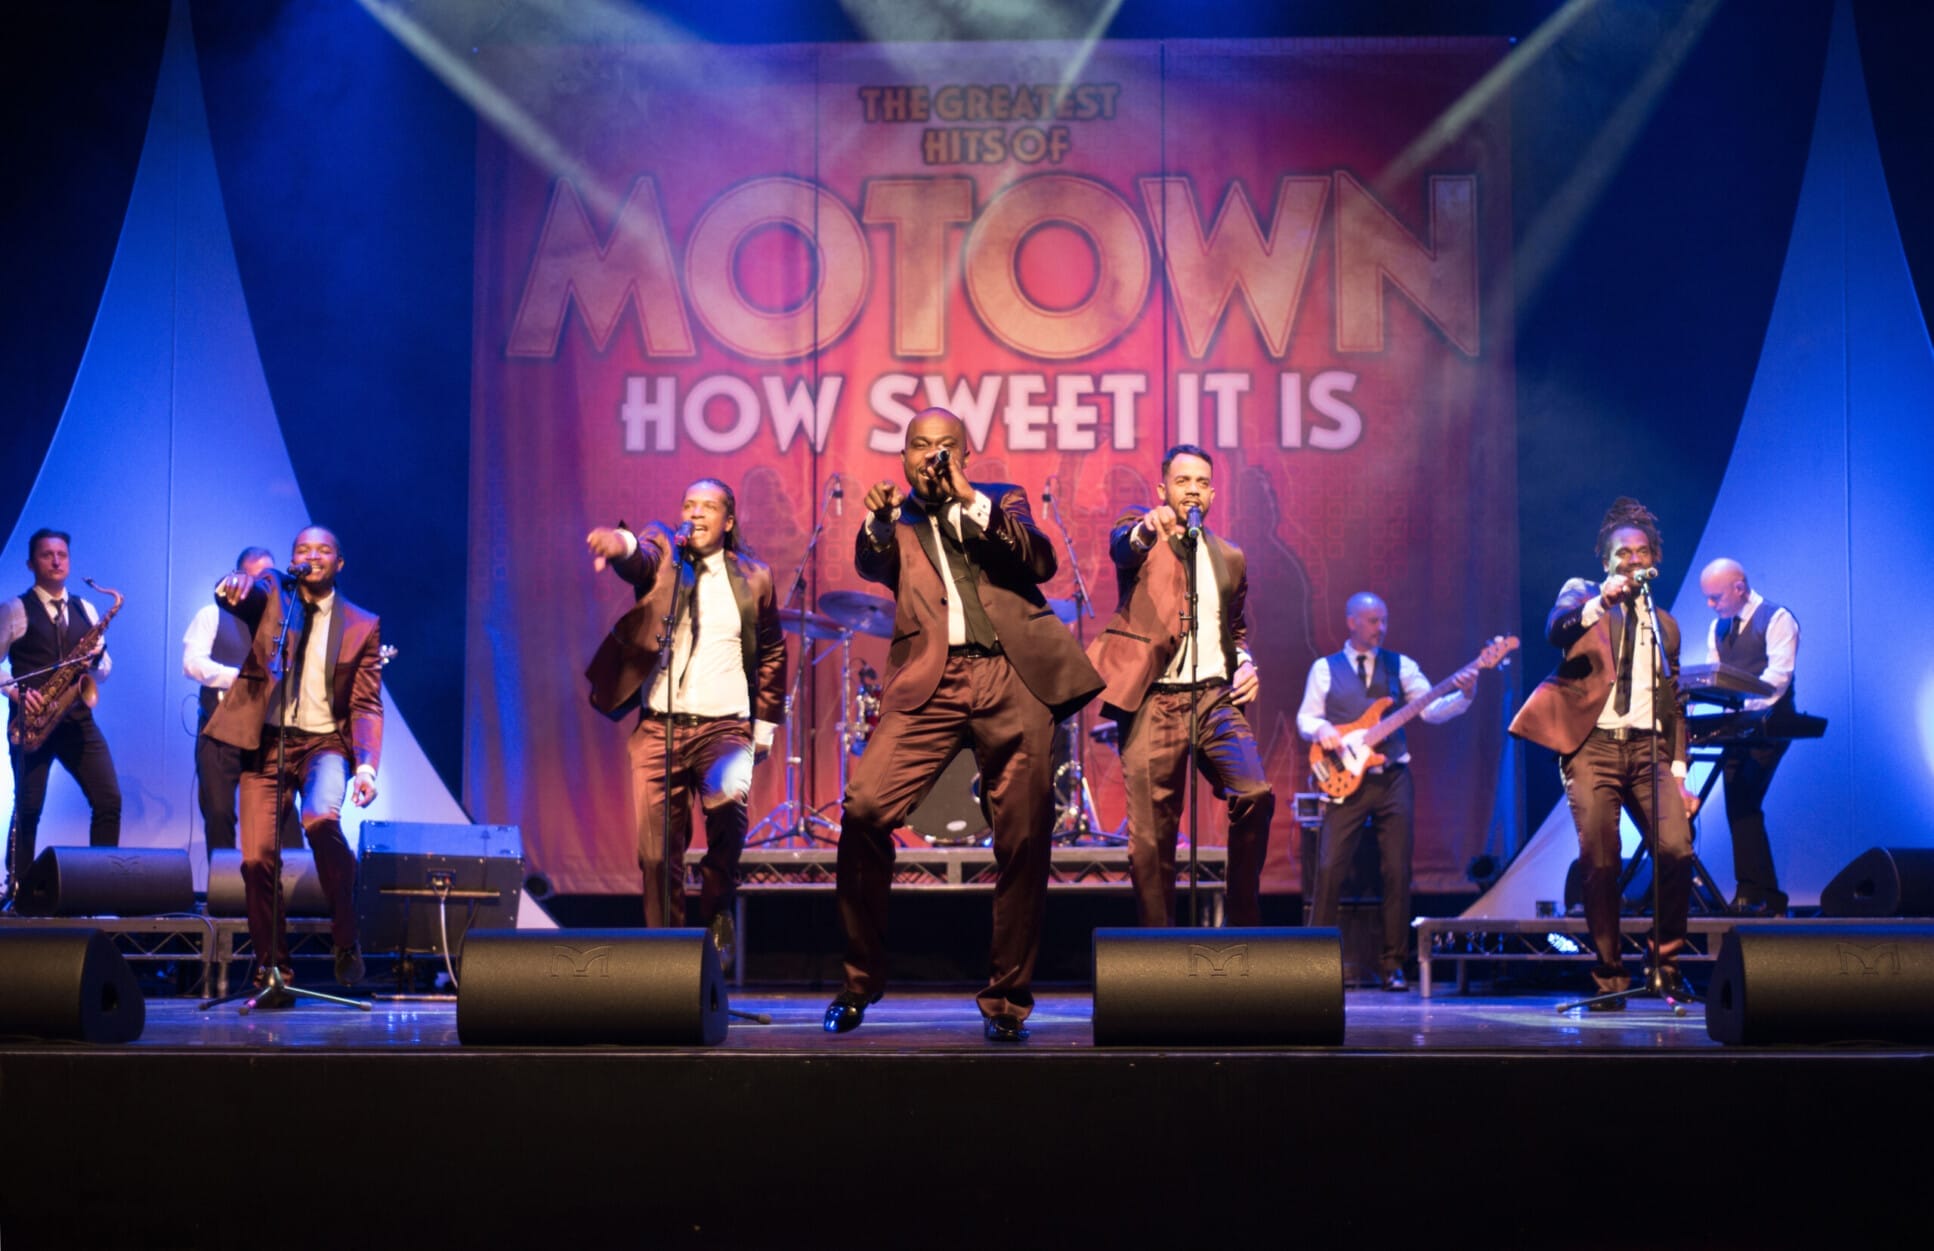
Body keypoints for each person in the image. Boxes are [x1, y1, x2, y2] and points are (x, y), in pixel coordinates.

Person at [825, 408, 1102, 1042]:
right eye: (920, 446)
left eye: (945, 446)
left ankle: (1006, 1000)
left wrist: (971, 500)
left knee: (1024, 837)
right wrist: (877, 521)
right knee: (864, 809)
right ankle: (860, 980)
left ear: (965, 455)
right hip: (931, 681)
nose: (932, 456)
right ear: (903, 457)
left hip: (1013, 676)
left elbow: (1039, 562)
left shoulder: (1001, 499)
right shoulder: (895, 519)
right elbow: (872, 564)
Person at [584, 478, 785, 973]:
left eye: (708, 507)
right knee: (656, 857)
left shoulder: (755, 577)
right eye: (689, 504)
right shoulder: (665, 554)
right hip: (659, 729)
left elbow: (773, 651)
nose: (696, 513)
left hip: (726, 730)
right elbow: (640, 555)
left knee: (727, 819)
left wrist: (764, 728)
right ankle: (665, 963)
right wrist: (619, 544)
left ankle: (718, 911)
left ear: (728, 521)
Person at [1509, 498, 1701, 1006]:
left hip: (1649, 753)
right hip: (1593, 749)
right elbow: (1556, 630)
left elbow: (1674, 702)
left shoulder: (1666, 624)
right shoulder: (1584, 595)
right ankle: (1610, 975)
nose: (1632, 560)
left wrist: (1680, 773)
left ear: (1654, 559)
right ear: (1606, 560)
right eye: (1622, 553)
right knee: (1601, 861)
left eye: (1642, 552)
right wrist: (1602, 600)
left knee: (1677, 850)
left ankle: (1664, 964)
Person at [1086, 444, 1274, 928]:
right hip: (1154, 700)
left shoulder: (1229, 556)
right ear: (1163, 488)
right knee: (1151, 840)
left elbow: (1234, 629)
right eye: (1183, 481)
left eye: (1202, 483)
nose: (1193, 490)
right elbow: (1123, 545)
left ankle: (1243, 920)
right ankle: (1159, 947)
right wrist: (1148, 529)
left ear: (1212, 494)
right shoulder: (1142, 531)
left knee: (1254, 793)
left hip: (1214, 698)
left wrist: (1245, 663)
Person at [205, 526, 382, 1004]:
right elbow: (240, 595)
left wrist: (366, 767)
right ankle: (273, 971)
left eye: (323, 549)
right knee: (255, 859)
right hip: (266, 744)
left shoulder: (362, 624)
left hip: (325, 745)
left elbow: (366, 703)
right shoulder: (273, 598)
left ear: (339, 563)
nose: (312, 555)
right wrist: (232, 584)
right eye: (303, 549)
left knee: (321, 818)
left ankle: (345, 934)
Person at [1297, 592, 1474, 991]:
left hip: (1392, 777)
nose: (1381, 628)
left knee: (1397, 870)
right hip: (1345, 780)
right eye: (1374, 620)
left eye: (1384, 620)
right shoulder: (1324, 669)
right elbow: (1306, 718)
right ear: (1352, 622)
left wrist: (1464, 694)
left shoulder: (1401, 665)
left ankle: (1394, 964)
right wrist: (1323, 730)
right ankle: (1313, 961)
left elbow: (1430, 709)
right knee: (1329, 867)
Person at [2, 528, 121, 902]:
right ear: (30, 563)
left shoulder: (86, 609)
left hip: (77, 720)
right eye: (47, 554)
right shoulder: (15, 609)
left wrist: (96, 661)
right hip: (32, 723)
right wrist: (15, 691)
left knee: (108, 801)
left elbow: (104, 670)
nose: (56, 561)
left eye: (62, 555)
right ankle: (17, 890)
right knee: (28, 807)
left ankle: (101, 889)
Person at [183, 546, 301, 858]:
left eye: (270, 578)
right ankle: (223, 887)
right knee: (219, 813)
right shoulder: (212, 615)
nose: (267, 585)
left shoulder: (283, 623)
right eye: (258, 578)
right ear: (239, 577)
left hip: (266, 735)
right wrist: (239, 677)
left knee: (284, 815)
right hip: (219, 733)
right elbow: (192, 663)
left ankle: (293, 885)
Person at [1699, 557, 1800, 917]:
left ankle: (1753, 891)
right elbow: (1715, 675)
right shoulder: (1717, 628)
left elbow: (1778, 677)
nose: (1710, 605)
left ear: (1739, 588)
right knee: (1740, 805)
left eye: (1716, 597)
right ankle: (1765, 895)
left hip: (1770, 724)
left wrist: (1743, 705)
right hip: (1738, 727)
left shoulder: (1776, 618)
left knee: (1742, 799)